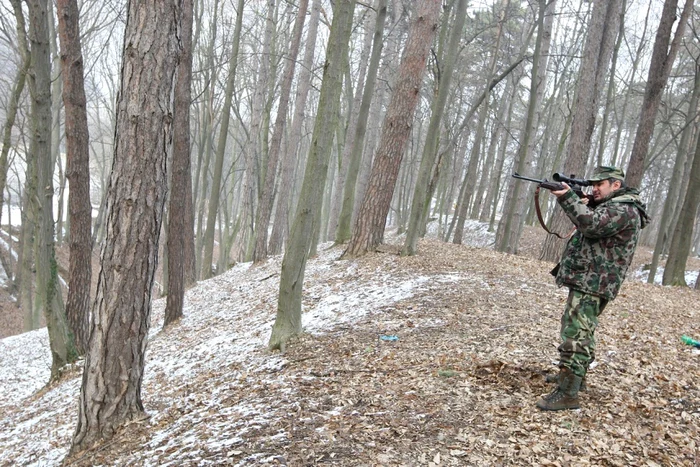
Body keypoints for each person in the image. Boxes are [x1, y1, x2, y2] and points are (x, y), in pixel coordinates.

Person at [537, 165, 650, 411]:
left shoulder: (625, 210)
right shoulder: (614, 206)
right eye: (594, 185)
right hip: (591, 278)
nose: (594, 189)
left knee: (575, 335)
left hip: (594, 281)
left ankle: (568, 393)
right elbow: (593, 220)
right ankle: (575, 380)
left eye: (600, 185)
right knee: (581, 331)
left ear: (616, 185)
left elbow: (591, 225)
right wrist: (578, 200)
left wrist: (568, 198)